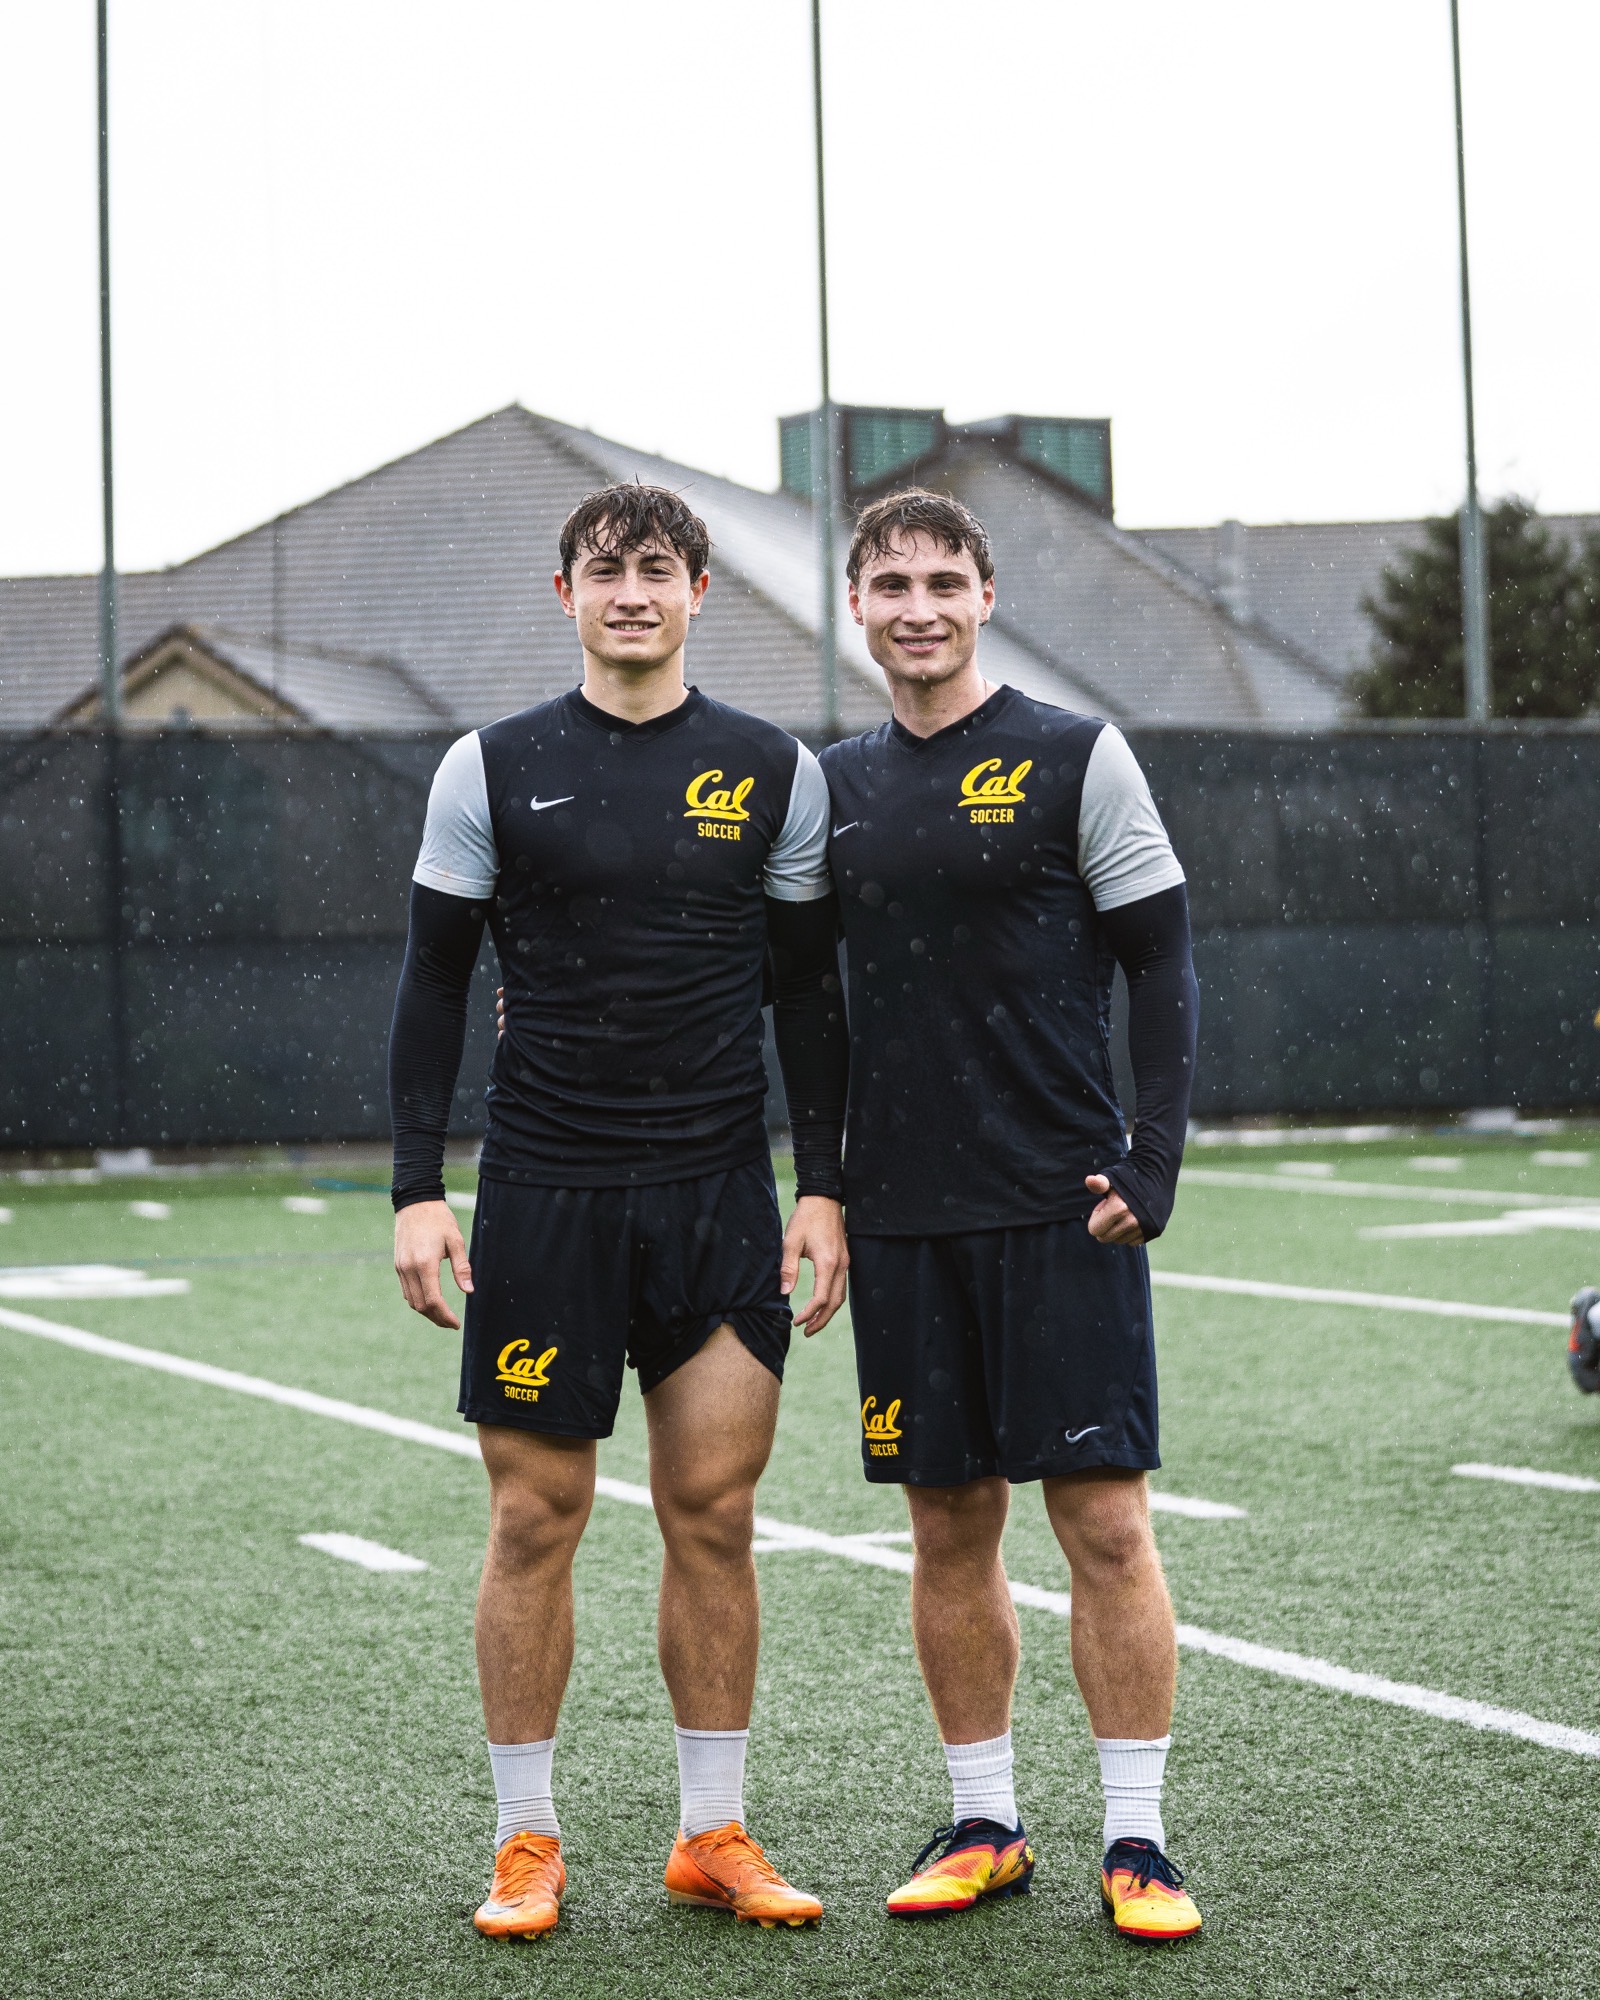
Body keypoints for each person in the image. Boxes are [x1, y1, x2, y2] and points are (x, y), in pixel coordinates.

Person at [388, 484, 848, 1939]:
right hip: (545, 1197)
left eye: (657, 569)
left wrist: (821, 1182)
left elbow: (809, 998)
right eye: (606, 571)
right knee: (537, 1516)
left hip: (717, 1195)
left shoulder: (775, 770)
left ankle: (711, 1830)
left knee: (714, 1513)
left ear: (701, 589)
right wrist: (416, 1187)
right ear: (563, 593)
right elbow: (433, 985)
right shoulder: (492, 765)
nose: (631, 591)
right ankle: (527, 1842)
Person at [819, 489, 1203, 1944]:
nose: (917, 605)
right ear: (857, 607)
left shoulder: (1073, 754)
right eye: (890, 582)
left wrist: (1150, 1160)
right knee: (946, 1523)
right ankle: (986, 1821)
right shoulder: (832, 785)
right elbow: (810, 1008)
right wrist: (828, 1186)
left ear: (989, 596)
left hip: (1063, 1204)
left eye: (942, 580)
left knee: (1104, 1525)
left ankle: (1139, 1842)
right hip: (908, 1215)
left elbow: (1161, 965)